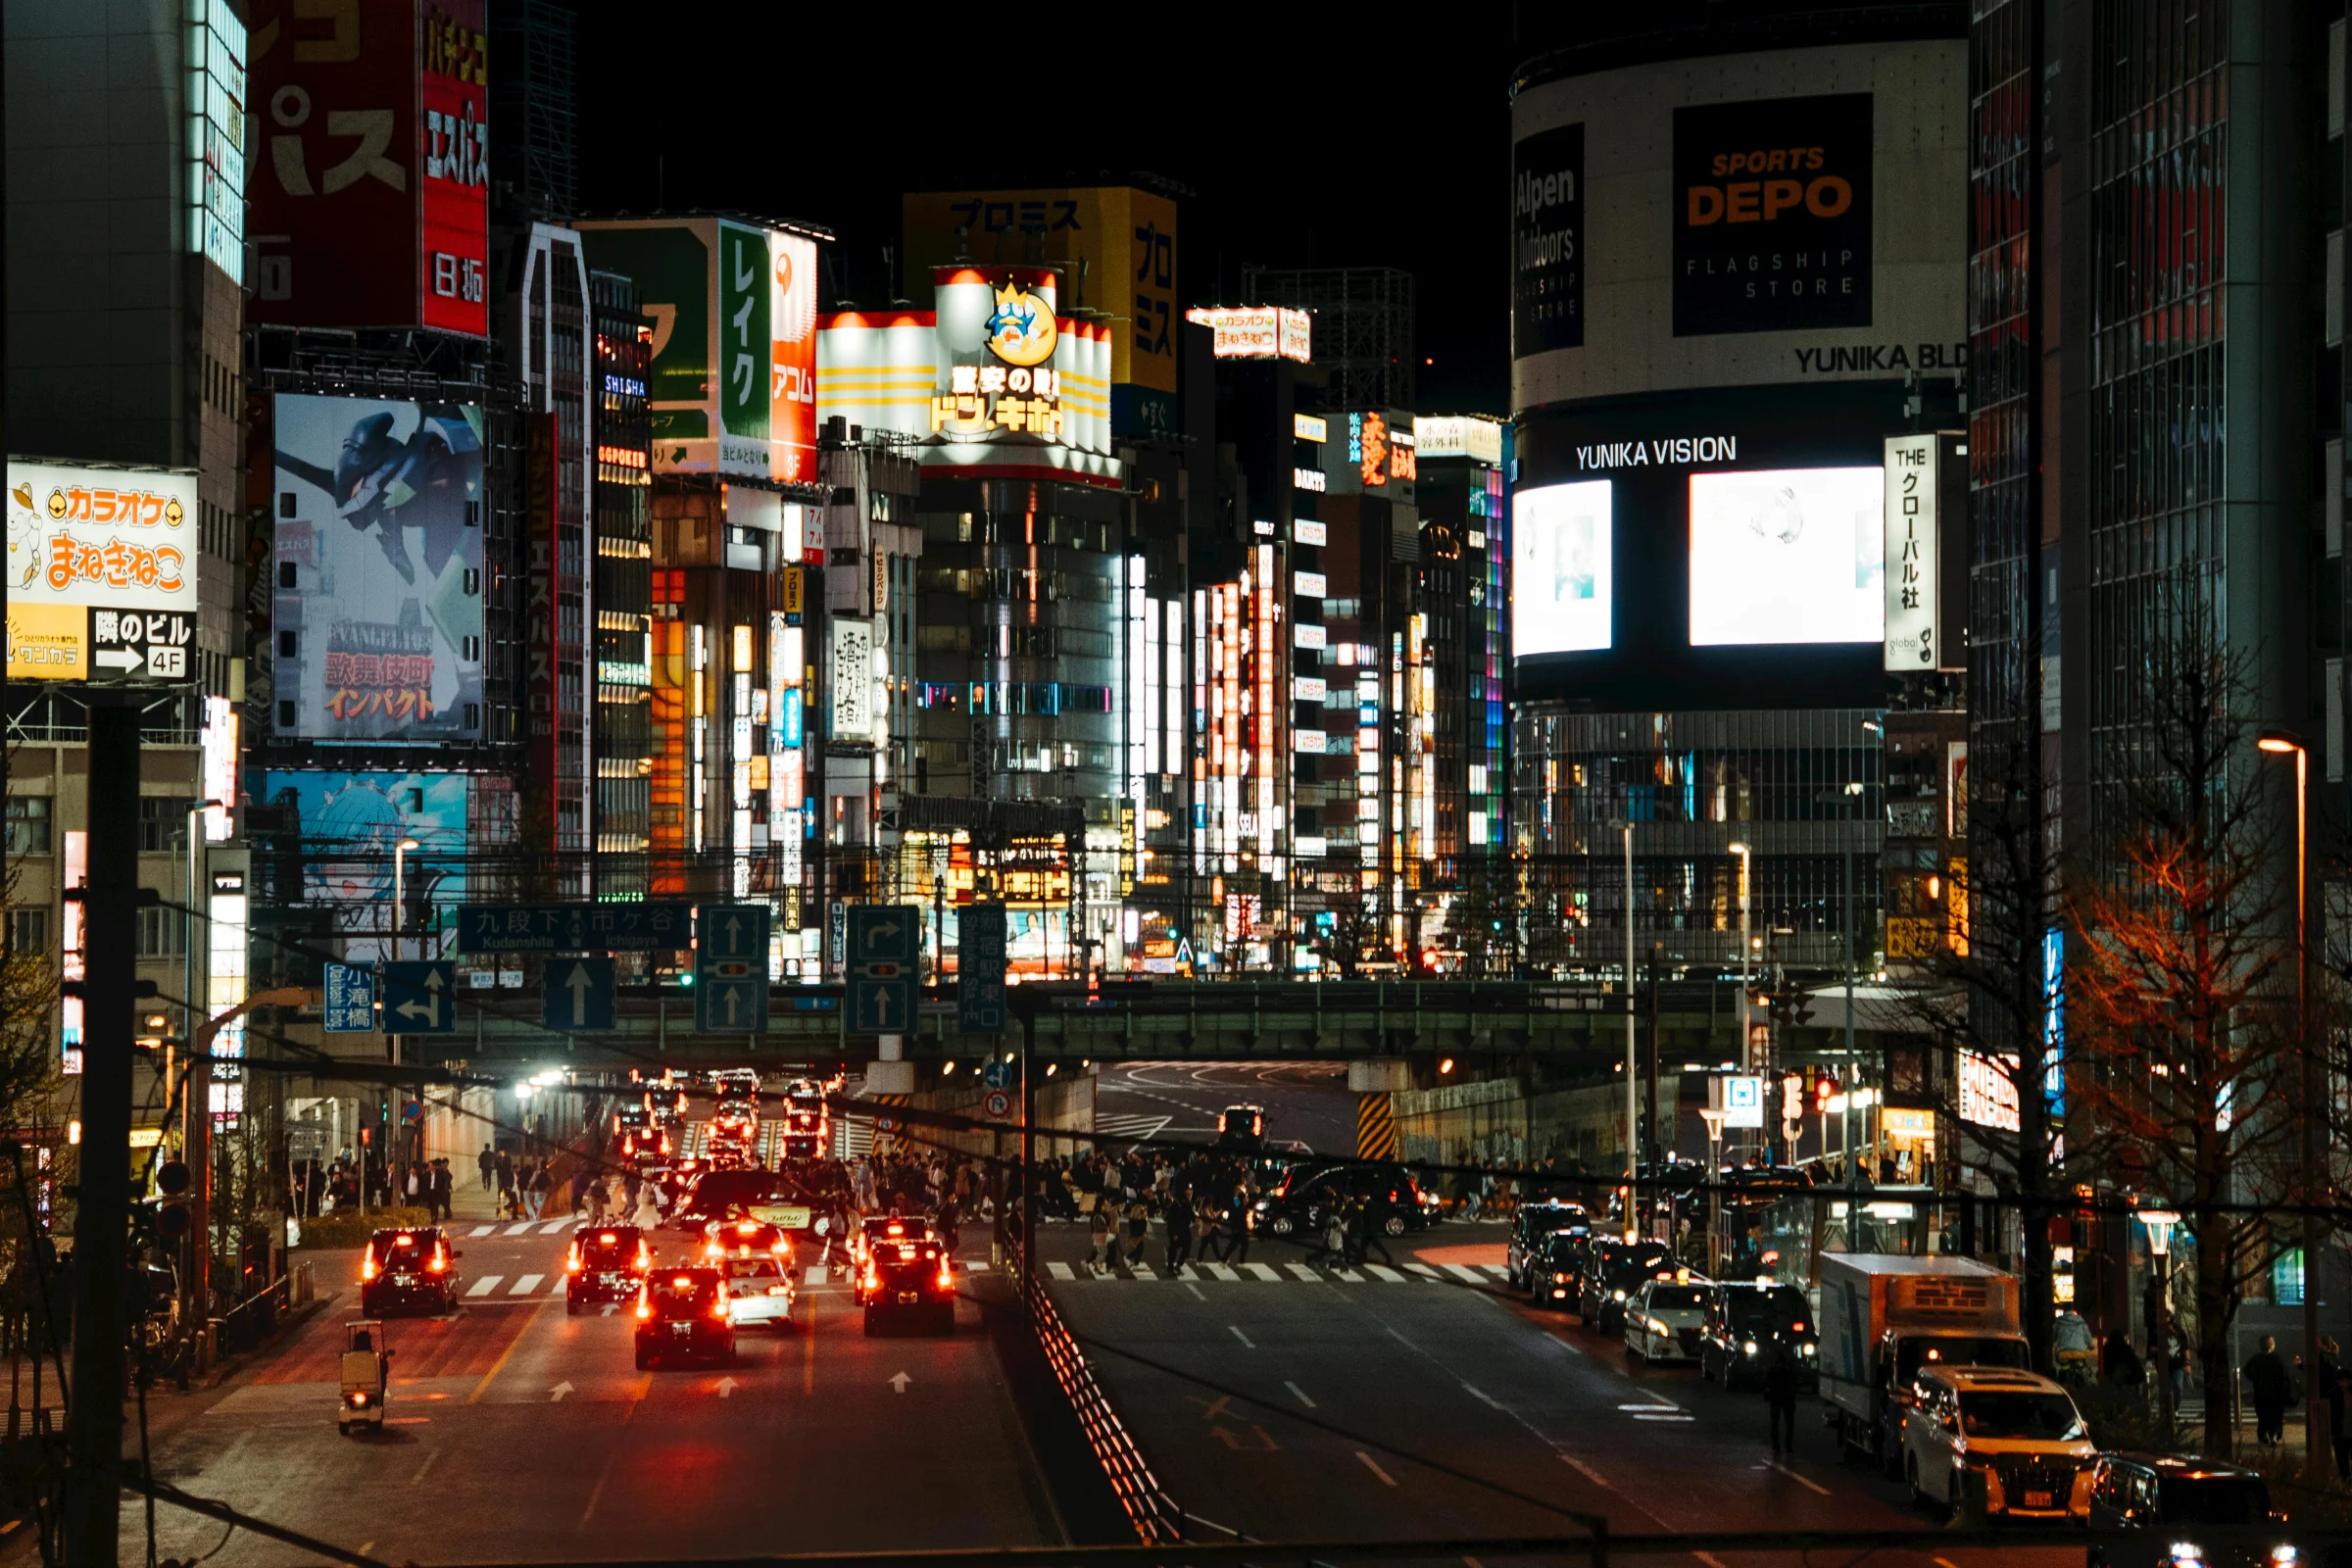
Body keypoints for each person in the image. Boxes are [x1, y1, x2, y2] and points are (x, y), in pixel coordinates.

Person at [2243, 1335, 2293, 1447]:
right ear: (2270, 1345)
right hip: (2276, 1393)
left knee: (2263, 1415)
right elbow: (2284, 1375)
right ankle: (2274, 1435)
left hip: (2261, 1392)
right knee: (2276, 1415)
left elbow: (2246, 1370)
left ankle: (2264, 1434)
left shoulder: (2256, 1359)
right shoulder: (2277, 1358)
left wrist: (2255, 1379)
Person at [1764, 1340, 1800, 1457]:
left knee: (1775, 1422)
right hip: (1788, 1398)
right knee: (1789, 1422)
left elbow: (1767, 1383)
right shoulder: (1790, 1369)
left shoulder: (1774, 1369)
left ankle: (1776, 1445)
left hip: (1776, 1398)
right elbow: (1796, 1381)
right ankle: (1788, 1445)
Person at [2320, 1336, 2349, 1481]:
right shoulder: (2335, 1358)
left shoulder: (2326, 1359)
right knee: (2343, 1455)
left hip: (2341, 1432)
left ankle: (2345, 1477)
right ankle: (2345, 1477)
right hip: (2342, 1431)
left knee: (2342, 1455)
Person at [1088, 1204, 1113, 1277]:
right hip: (1100, 1236)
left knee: (1103, 1252)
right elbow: (1098, 1227)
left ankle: (1097, 1267)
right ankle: (1097, 1268)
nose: (1103, 1207)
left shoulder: (1100, 1216)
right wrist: (1107, 1227)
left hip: (1102, 1235)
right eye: (1102, 1206)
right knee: (1102, 1252)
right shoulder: (1097, 1217)